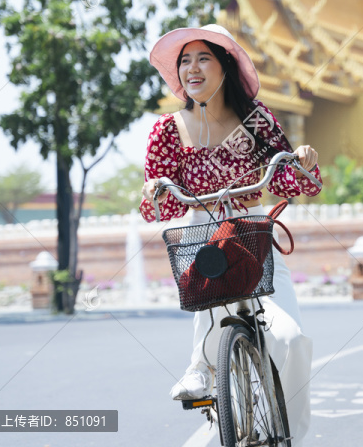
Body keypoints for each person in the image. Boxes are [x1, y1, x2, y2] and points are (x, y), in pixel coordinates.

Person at [140, 24, 321, 446]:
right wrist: (152, 190)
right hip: (200, 237)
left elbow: (296, 183)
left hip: (253, 234)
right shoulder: (167, 130)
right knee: (213, 324)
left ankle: (292, 433)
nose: (192, 68)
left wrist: (304, 161)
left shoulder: (256, 120)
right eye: (184, 61)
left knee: (291, 339)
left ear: (225, 65)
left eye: (203, 58)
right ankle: (201, 370)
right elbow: (160, 206)